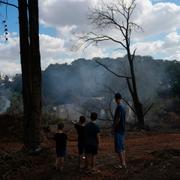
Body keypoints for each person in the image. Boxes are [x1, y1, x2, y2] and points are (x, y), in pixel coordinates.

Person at [113, 93, 127, 169]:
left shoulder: (119, 107)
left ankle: (122, 164)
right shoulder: (124, 107)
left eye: (115, 99)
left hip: (118, 129)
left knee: (119, 148)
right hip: (122, 129)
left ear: (116, 99)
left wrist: (113, 128)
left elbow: (118, 119)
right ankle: (124, 163)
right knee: (122, 147)